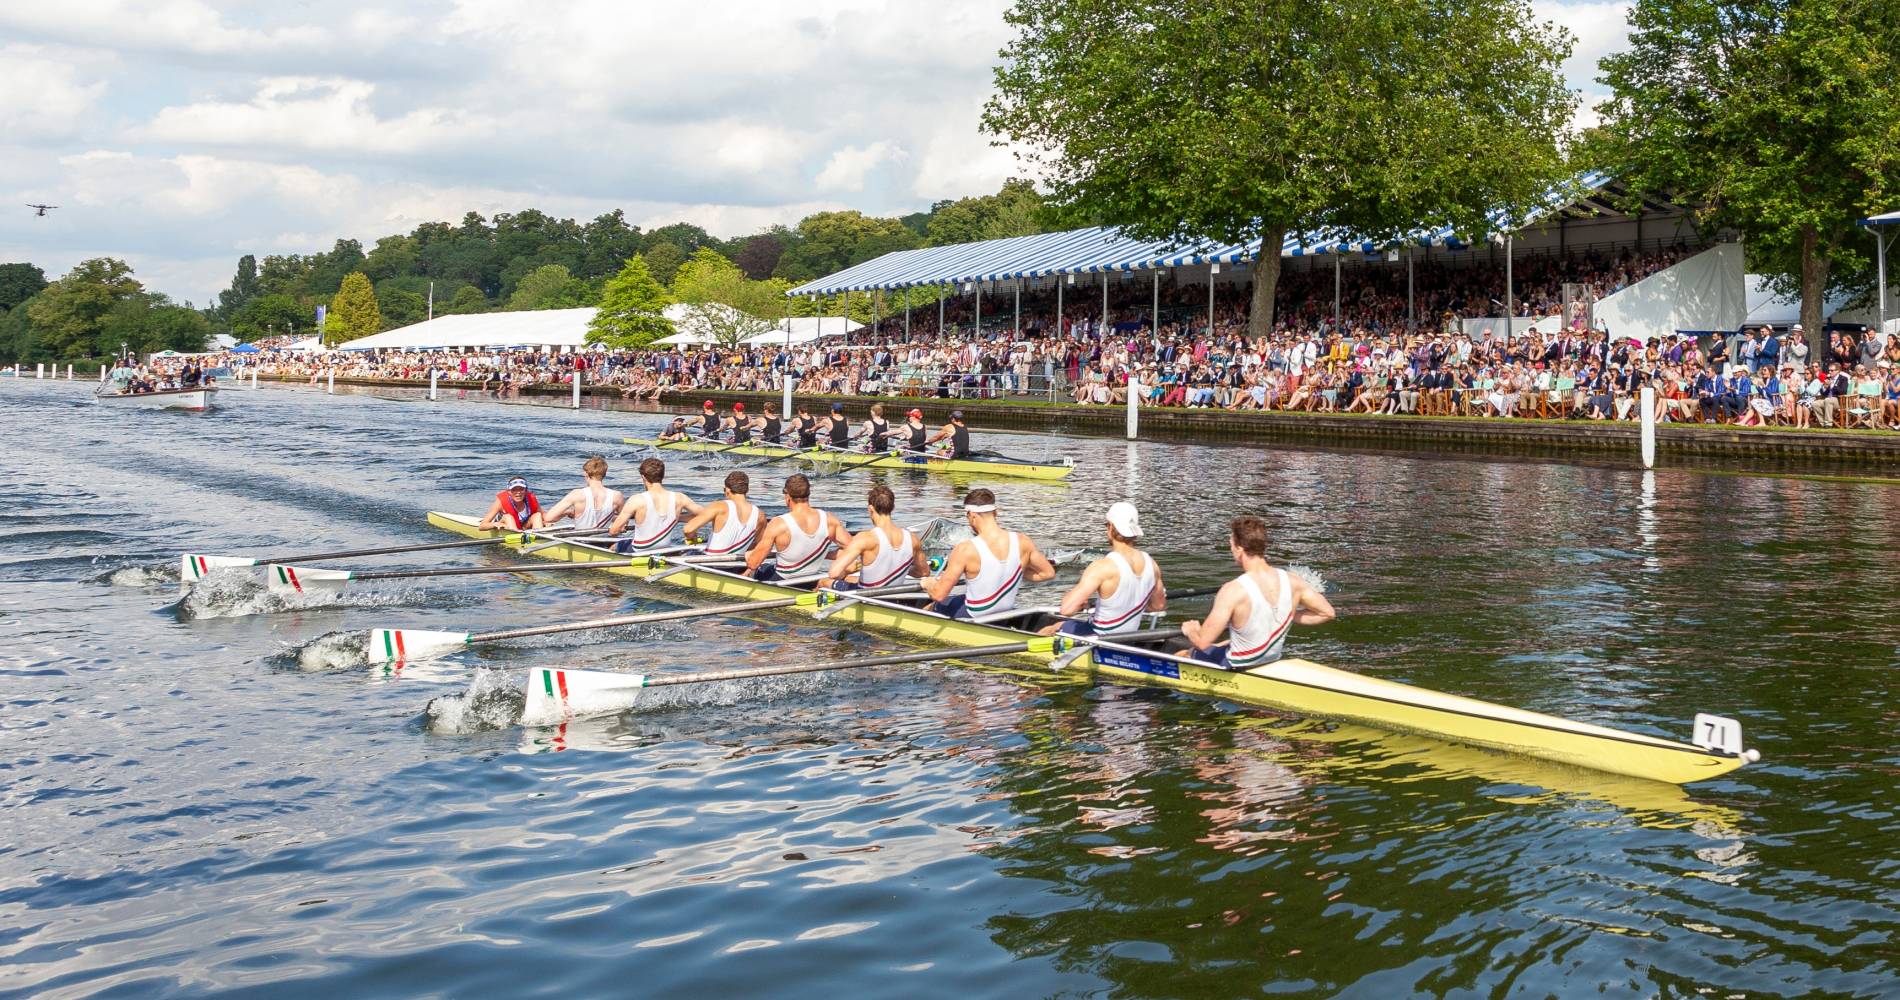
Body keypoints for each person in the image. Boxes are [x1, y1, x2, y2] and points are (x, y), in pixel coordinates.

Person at [1181, 516, 1334, 669]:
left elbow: (1202, 642)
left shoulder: (1232, 590)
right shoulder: (1293, 581)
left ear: (1240, 549)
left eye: (1231, 545)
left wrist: (1191, 631)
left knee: (1185, 653)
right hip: (1271, 659)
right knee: (1223, 643)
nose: (1231, 550)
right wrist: (1288, 613)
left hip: (1238, 665)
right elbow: (1327, 613)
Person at [923, 488, 1057, 620]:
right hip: (1004, 614)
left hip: (975, 616)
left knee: (932, 605)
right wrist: (1015, 571)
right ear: (995, 512)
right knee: (957, 599)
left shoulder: (965, 549)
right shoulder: (1023, 541)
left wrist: (928, 583)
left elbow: (939, 594)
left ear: (972, 515)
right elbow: (1048, 573)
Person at [1040, 502, 1165, 637]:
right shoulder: (1152, 564)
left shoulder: (1102, 567)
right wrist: (1127, 606)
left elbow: (1067, 609)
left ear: (1110, 527)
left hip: (1097, 637)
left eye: (1107, 525)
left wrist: (1079, 602)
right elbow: (1158, 606)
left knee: (1053, 628)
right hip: (1128, 639)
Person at [744, 473, 853, 582]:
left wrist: (749, 555)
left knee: (752, 560)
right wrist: (827, 555)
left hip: (782, 581)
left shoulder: (778, 524)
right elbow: (854, 548)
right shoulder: (830, 520)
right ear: (809, 494)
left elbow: (753, 564)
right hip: (811, 581)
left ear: (787, 496)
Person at [820, 484, 929, 591]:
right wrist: (902, 569)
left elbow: (834, 573)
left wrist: (850, 569)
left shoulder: (865, 538)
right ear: (893, 507)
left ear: (870, 509)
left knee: (823, 582)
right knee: (848, 579)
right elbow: (923, 572)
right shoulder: (913, 539)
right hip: (893, 596)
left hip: (866, 597)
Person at [608, 457, 703, 554]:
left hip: (640, 550)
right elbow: (705, 515)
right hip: (665, 550)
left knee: (614, 546)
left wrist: (620, 527)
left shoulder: (636, 499)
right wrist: (677, 518)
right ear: (663, 476)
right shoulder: (680, 498)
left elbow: (613, 531)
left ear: (643, 477)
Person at [682, 470, 764, 559]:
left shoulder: (720, 506)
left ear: (727, 490)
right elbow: (758, 545)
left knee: (686, 552)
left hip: (710, 564)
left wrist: (691, 538)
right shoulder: (760, 515)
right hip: (736, 566)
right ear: (747, 490)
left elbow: (688, 529)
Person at [539, 456, 625, 534]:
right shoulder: (617, 496)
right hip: (604, 542)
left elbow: (549, 518)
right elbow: (624, 521)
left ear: (586, 474)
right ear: (604, 474)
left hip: (581, 542)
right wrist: (609, 516)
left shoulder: (577, 494)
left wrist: (567, 512)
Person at [477, 477, 543, 531]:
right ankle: (516, 536)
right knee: (508, 517)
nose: (518, 492)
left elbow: (543, 515)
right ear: (509, 491)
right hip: (506, 524)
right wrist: (495, 524)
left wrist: (546, 522)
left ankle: (540, 536)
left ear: (526, 491)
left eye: (521, 489)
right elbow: (482, 526)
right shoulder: (500, 502)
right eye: (514, 490)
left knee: (537, 515)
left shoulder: (531, 499)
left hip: (524, 527)